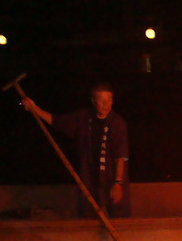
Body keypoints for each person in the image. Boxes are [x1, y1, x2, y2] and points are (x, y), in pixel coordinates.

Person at [22, 83, 131, 218]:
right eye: (101, 100)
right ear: (93, 101)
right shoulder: (83, 117)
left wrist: (118, 182)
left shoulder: (117, 123)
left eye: (109, 99)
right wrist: (34, 108)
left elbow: (121, 156)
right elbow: (57, 121)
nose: (105, 104)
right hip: (89, 179)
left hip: (112, 179)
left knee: (120, 218)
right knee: (87, 217)